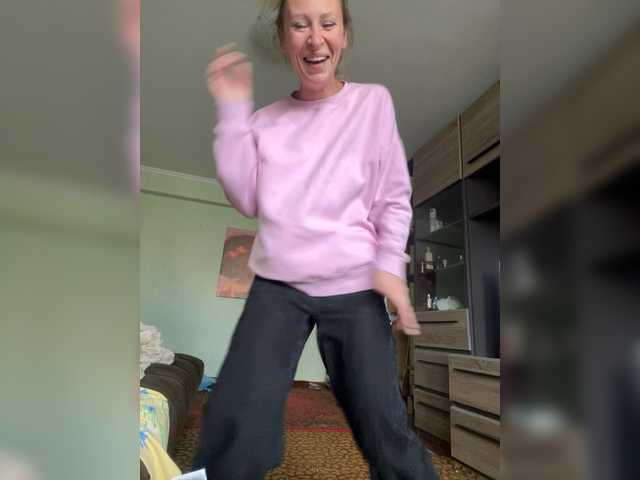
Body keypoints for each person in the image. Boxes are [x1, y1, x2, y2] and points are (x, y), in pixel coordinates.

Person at [189, 0, 439, 478]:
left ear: (344, 34)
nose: (315, 37)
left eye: (327, 23)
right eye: (299, 25)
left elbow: (392, 197)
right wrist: (233, 110)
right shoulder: (265, 122)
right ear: (283, 39)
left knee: (382, 423)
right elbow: (246, 198)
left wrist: (389, 264)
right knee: (238, 417)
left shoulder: (372, 103)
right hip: (277, 287)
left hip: (355, 285)